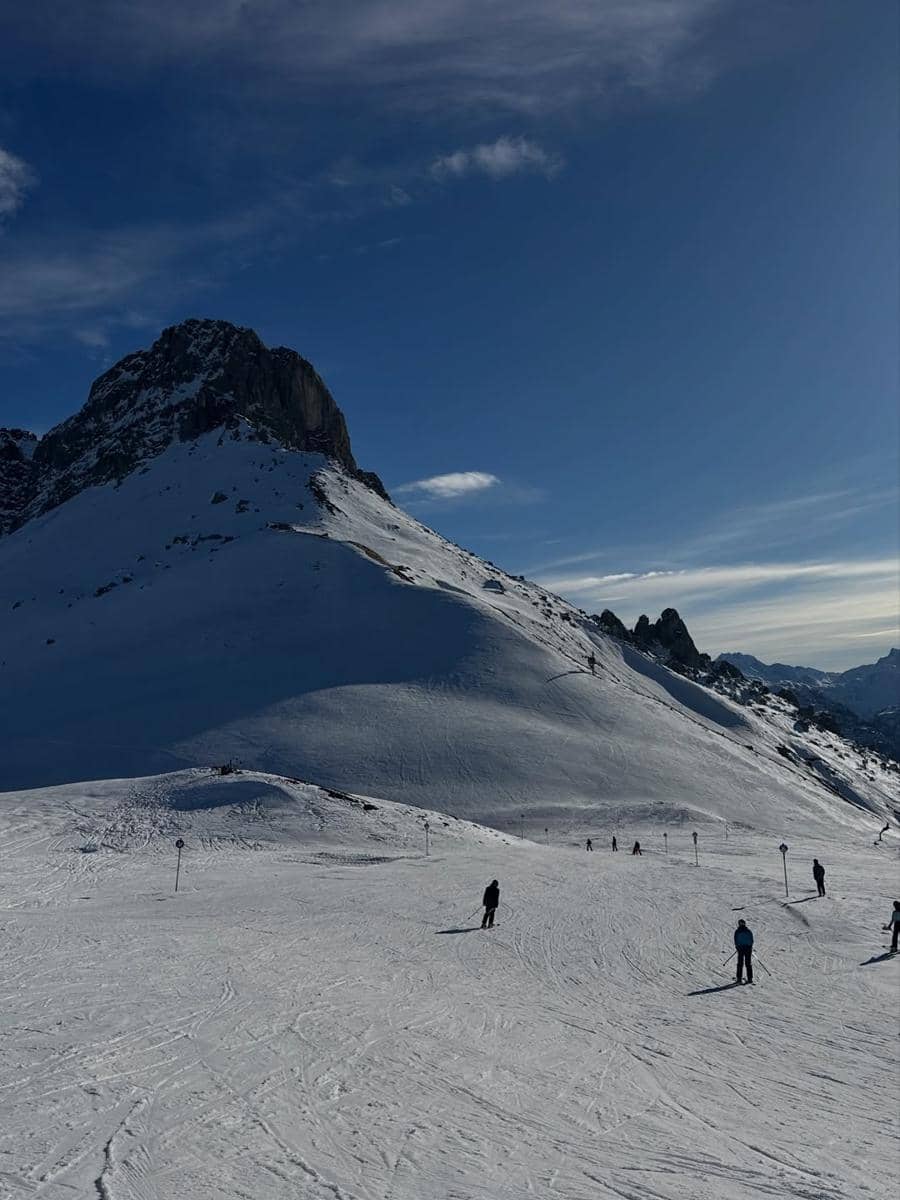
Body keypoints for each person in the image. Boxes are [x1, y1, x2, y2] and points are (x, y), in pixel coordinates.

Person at [734, 919, 753, 984]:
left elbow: (736, 940)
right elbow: (751, 940)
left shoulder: (737, 931)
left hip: (741, 949)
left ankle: (739, 978)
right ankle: (750, 979)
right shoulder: (748, 931)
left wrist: (737, 947)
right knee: (748, 964)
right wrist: (750, 947)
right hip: (748, 949)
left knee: (740, 964)